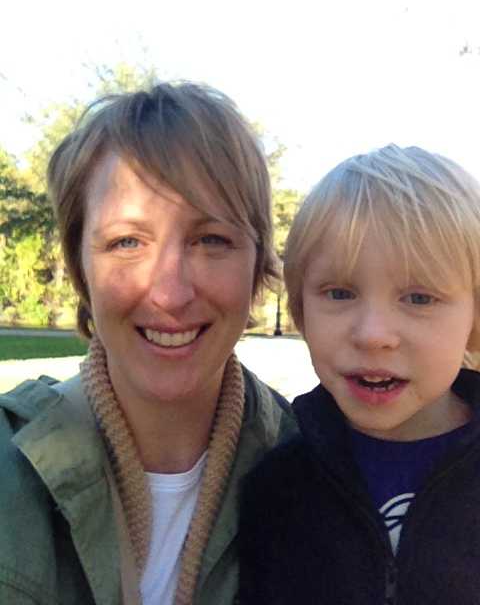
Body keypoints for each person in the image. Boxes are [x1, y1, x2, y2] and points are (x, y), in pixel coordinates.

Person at [0, 82, 297, 605]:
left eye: (211, 240)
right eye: (127, 242)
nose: (170, 293)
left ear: (257, 266)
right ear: (80, 270)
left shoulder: (315, 477)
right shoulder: (10, 468)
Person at [239, 144, 480, 604]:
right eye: (340, 293)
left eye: (419, 298)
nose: (373, 335)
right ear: (301, 310)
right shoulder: (275, 489)